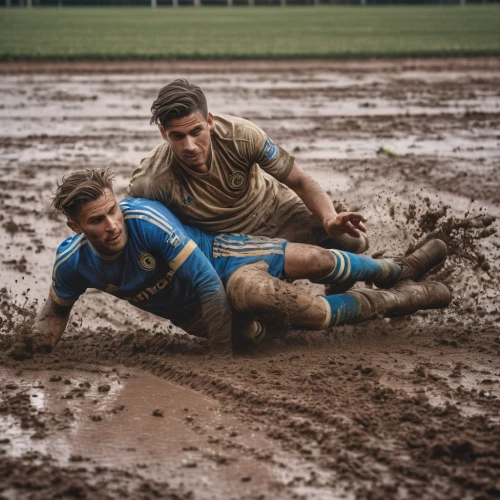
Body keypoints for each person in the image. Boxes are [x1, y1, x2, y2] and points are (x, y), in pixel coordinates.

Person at [32, 168, 450, 355]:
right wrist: (32, 348)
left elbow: (208, 283)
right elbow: (55, 308)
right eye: (96, 220)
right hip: (193, 313)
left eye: (112, 211)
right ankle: (399, 300)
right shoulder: (72, 263)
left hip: (224, 260)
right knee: (308, 315)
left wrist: (220, 357)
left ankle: (400, 275)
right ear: (74, 226)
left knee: (318, 260)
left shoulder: (143, 218)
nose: (111, 224)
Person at [127, 79, 369, 256]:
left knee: (354, 243)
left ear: (209, 121)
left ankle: (336, 278)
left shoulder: (241, 136)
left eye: (196, 131)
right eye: (177, 136)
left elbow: (299, 180)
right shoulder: (152, 180)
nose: (189, 146)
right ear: (163, 134)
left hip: (277, 211)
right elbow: (134, 226)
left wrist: (328, 219)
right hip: (228, 246)